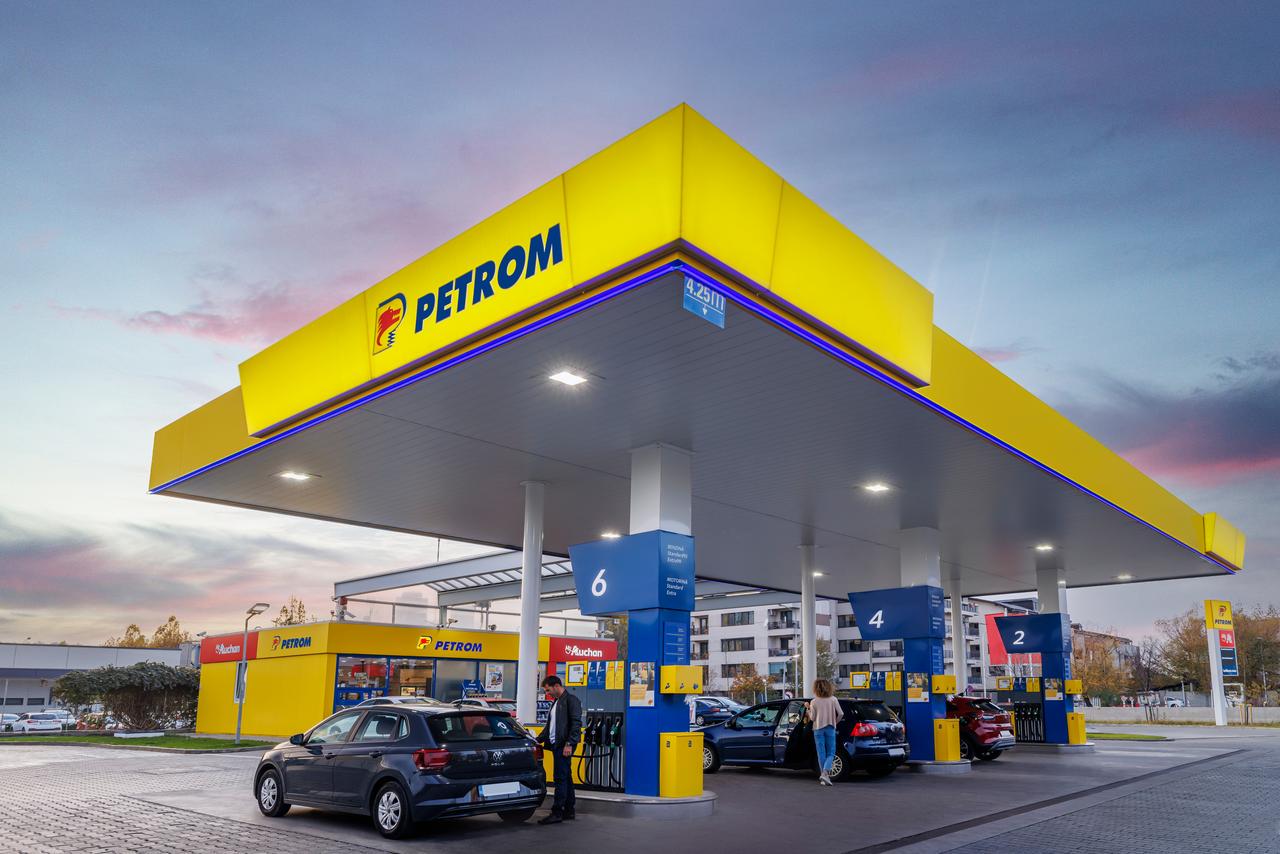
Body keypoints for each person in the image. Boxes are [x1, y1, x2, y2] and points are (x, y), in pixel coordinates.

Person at [536, 675, 583, 824]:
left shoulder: (571, 700)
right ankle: (569, 811)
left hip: (564, 745)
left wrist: (569, 744)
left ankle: (557, 812)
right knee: (566, 777)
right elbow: (549, 727)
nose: (547, 693)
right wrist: (536, 740)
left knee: (560, 778)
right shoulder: (556, 702)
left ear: (556, 685)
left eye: (548, 690)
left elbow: (576, 724)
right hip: (557, 745)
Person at [805, 678, 843, 786]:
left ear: (816, 688)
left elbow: (812, 718)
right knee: (831, 753)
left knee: (821, 753)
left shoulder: (814, 701)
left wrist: (808, 708)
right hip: (830, 728)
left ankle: (824, 776)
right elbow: (841, 714)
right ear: (828, 687)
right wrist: (835, 722)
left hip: (818, 729)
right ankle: (825, 774)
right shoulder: (833, 699)